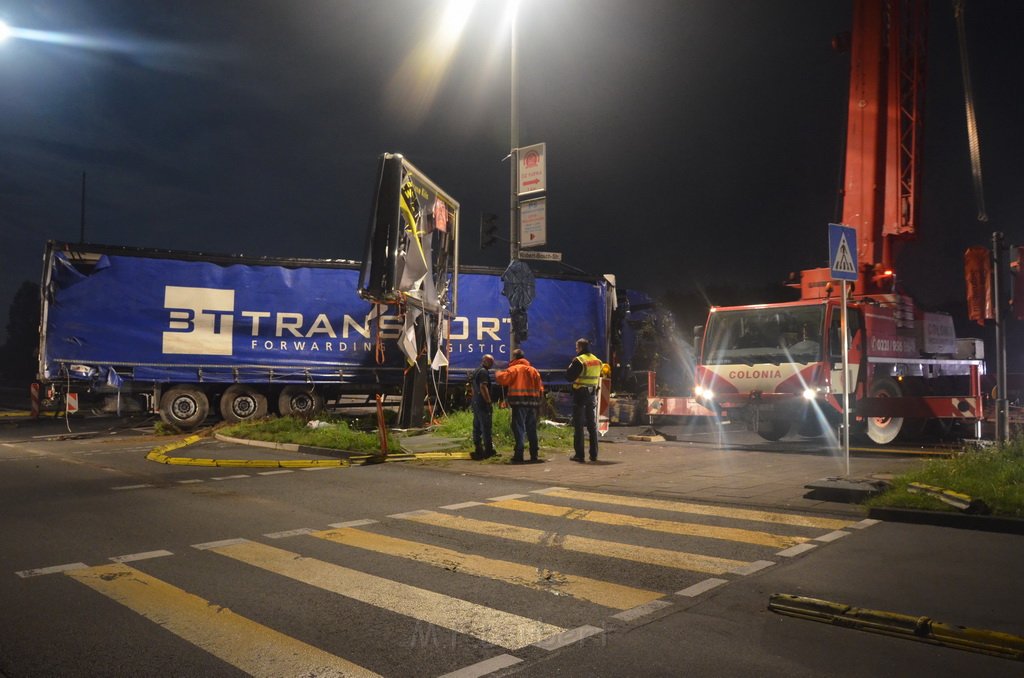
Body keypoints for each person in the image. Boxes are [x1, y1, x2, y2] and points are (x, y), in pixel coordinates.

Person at [495, 348, 544, 463]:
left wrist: (497, 374)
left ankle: (519, 455)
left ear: (514, 357)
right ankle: (534, 455)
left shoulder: (513, 369)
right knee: (532, 429)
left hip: (518, 403)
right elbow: (540, 388)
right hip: (532, 404)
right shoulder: (533, 371)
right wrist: (539, 402)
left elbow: (503, 380)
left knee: (519, 429)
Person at [565, 338, 602, 462]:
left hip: (580, 394)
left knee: (579, 424)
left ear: (580, 347)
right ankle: (594, 454)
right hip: (592, 394)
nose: (576, 350)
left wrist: (570, 366)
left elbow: (569, 376)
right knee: (592, 425)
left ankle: (579, 455)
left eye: (576, 347)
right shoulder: (597, 360)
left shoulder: (579, 360)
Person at [469, 354, 497, 460]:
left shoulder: (477, 370)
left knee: (476, 426)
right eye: (490, 362)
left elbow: (473, 386)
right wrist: (488, 401)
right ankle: (488, 451)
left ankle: (478, 449)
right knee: (486, 427)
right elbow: (483, 387)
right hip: (482, 403)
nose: (492, 364)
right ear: (485, 361)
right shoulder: (484, 372)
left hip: (476, 402)